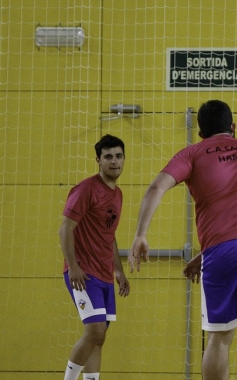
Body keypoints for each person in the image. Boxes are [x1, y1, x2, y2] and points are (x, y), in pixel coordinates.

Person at [128, 100, 237, 380]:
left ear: (201, 133)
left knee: (219, 337)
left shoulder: (191, 153)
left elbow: (157, 186)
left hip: (217, 254)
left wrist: (141, 235)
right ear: (233, 127)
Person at [59, 134, 130, 380]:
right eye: (108, 157)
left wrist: (118, 271)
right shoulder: (86, 189)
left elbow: (108, 235)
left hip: (104, 275)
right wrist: (74, 267)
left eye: (118, 156)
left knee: (100, 337)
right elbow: (66, 228)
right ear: (98, 160)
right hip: (84, 273)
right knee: (94, 331)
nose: (114, 161)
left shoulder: (118, 194)